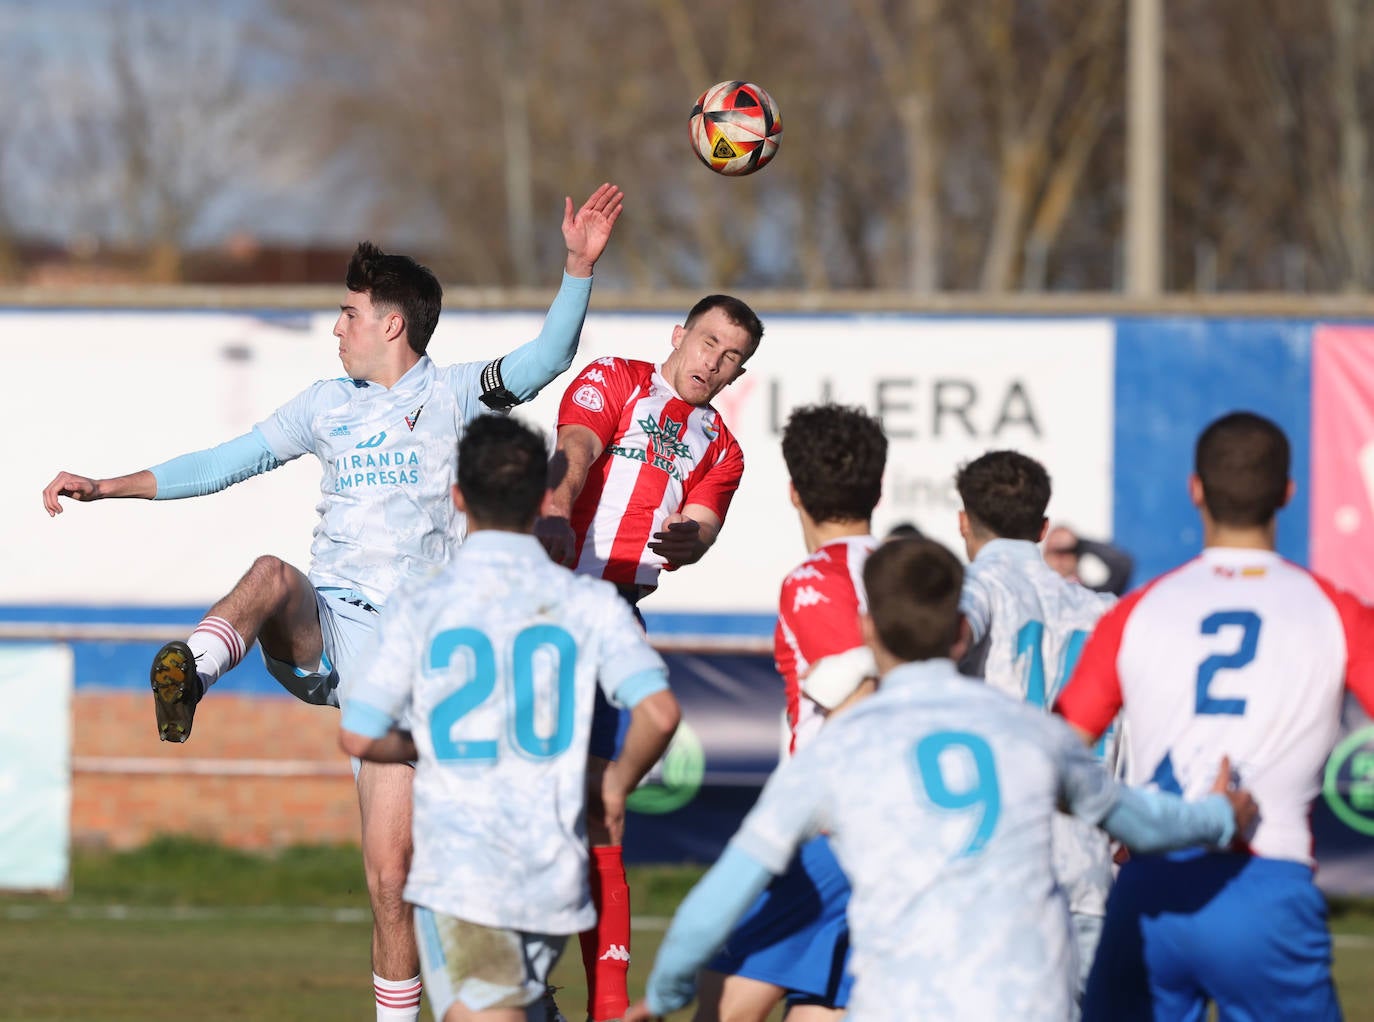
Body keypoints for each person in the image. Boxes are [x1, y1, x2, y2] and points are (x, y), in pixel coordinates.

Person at [40, 182, 624, 1022]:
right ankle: (192, 673)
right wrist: (109, 486)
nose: (338, 327)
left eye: (350, 312)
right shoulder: (326, 405)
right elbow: (224, 460)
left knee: (391, 879)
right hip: (331, 633)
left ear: (394, 322)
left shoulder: (457, 393)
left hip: (413, 664)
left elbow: (543, 362)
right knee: (273, 573)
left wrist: (576, 270)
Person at [623, 537, 1256, 1022]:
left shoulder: (841, 748)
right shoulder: (1032, 733)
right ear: (961, 634)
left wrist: (666, 988)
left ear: (869, 633)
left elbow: (727, 888)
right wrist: (1222, 817)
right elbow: (1143, 822)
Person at [338, 414, 681, 1022]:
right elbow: (659, 713)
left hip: (467, 868)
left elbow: (358, 732)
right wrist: (614, 782)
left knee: (481, 1012)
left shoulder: (423, 601)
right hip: (554, 870)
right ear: (543, 501)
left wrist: (430, 739)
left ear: (458, 496)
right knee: (517, 1003)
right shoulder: (589, 601)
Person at [1055, 410, 1374, 1021]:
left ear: (1195, 488)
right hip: (1266, 884)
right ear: (1287, 493)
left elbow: (1061, 752)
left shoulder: (1139, 610)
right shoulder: (1337, 613)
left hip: (1150, 892)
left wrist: (1136, 818)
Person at [534, 294, 764, 1022]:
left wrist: (692, 540)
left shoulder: (722, 448)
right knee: (527, 803)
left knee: (606, 813)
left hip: (616, 619)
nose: (714, 363)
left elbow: (701, 523)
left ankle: (607, 1008)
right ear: (679, 335)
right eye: (707, 342)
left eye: (732, 357)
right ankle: (515, 989)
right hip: (547, 603)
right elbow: (576, 450)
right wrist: (554, 512)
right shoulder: (618, 378)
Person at [694, 403, 887, 1022]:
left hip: (831, 833)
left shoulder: (815, 579)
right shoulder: (912, 577)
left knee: (719, 1001)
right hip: (896, 840)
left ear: (794, 491)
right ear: (877, 489)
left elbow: (862, 701)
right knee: (822, 1008)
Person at [953, 449, 1119, 996]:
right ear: (1043, 529)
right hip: (1087, 871)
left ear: (963, 522)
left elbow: (952, 634)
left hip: (995, 871)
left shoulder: (978, 589)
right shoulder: (1105, 612)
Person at [1043, 524, 1135, 597]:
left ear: (1078, 555)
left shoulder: (1090, 597)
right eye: (1055, 551)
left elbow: (1123, 564)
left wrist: (1081, 543)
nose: (1061, 558)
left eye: (1068, 551)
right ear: (1045, 555)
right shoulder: (1036, 591)